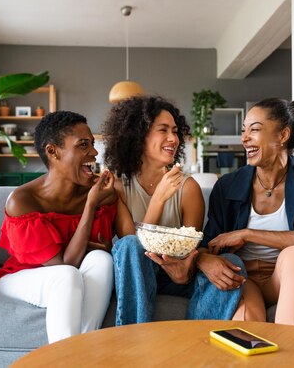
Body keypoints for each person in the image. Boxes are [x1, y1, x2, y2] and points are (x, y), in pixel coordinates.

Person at [102, 96, 246, 325]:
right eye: (163, 130)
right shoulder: (119, 186)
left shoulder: (188, 188)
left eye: (175, 131)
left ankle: (199, 350)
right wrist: (158, 199)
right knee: (129, 245)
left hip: (178, 270)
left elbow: (190, 246)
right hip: (138, 275)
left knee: (229, 262)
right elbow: (135, 247)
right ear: (138, 135)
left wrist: (185, 270)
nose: (174, 139)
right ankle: (132, 344)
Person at [204, 98, 294, 326]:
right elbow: (208, 242)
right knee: (247, 324)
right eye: (244, 130)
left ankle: (293, 356)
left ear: (282, 136)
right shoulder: (227, 185)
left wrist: (247, 234)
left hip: (287, 276)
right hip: (243, 277)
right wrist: (203, 260)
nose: (244, 138)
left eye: (254, 130)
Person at [0, 111, 117, 343]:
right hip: (22, 277)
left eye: (92, 143)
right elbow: (66, 265)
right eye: (83, 145)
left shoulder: (102, 191)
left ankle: (83, 354)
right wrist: (90, 204)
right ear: (53, 152)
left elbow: (129, 241)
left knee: (102, 259)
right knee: (66, 275)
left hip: (70, 274)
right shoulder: (23, 200)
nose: (94, 152)